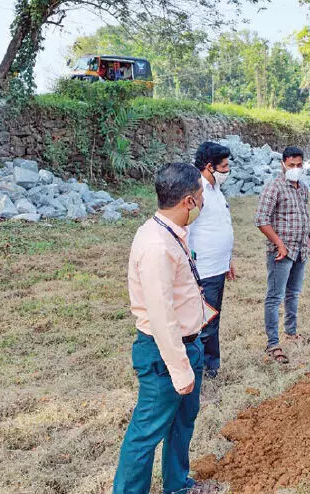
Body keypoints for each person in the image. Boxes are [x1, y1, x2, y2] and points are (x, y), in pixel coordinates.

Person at [114, 162, 225, 494]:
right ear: (188, 202)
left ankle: (177, 485)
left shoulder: (170, 232)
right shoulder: (156, 246)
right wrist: (180, 369)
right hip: (165, 354)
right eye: (201, 195)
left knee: (181, 423)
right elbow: (161, 317)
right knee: (146, 433)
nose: (204, 201)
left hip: (187, 346)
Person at [254, 146, 310, 365]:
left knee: (293, 293)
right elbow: (261, 219)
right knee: (275, 297)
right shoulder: (274, 187)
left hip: (300, 250)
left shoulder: (303, 188)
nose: (295, 169)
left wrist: (306, 239)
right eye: (291, 165)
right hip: (281, 252)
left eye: (299, 165)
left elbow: (303, 215)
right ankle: (273, 343)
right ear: (283, 164)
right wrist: (280, 244)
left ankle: (291, 332)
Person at [189, 142, 235, 380]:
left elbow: (220, 225)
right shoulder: (197, 191)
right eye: (224, 166)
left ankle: (211, 365)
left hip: (218, 266)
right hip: (203, 269)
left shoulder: (215, 189)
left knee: (213, 317)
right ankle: (202, 369)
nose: (227, 171)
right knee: (204, 321)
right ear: (210, 166)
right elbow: (187, 228)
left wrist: (228, 260)